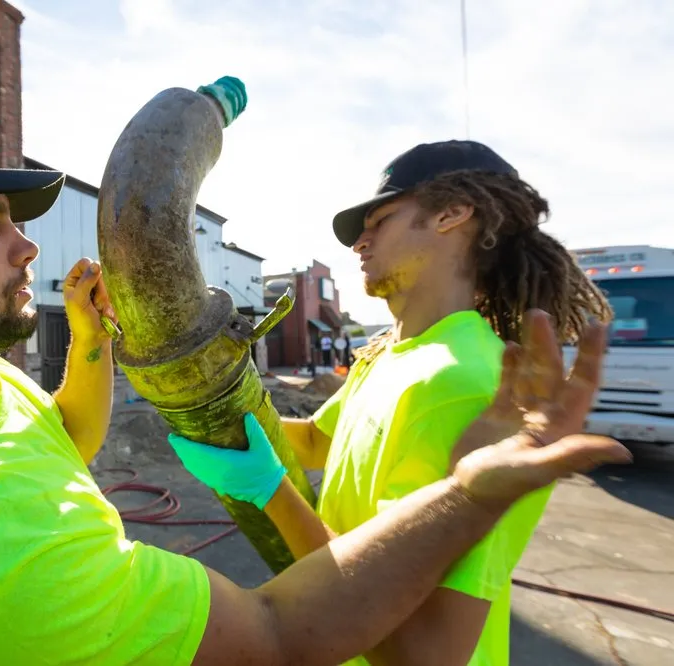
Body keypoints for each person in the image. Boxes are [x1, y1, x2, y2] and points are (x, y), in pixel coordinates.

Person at [0, 80, 628, 666]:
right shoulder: (12, 564)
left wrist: (94, 349)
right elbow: (284, 639)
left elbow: (62, 438)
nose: (24, 248)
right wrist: (465, 494)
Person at [170, 140, 615, 666]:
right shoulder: (388, 354)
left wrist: (271, 492)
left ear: (452, 214)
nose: (360, 241)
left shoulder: (469, 383)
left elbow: (415, 648)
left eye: (380, 218)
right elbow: (317, 439)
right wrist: (210, 407)